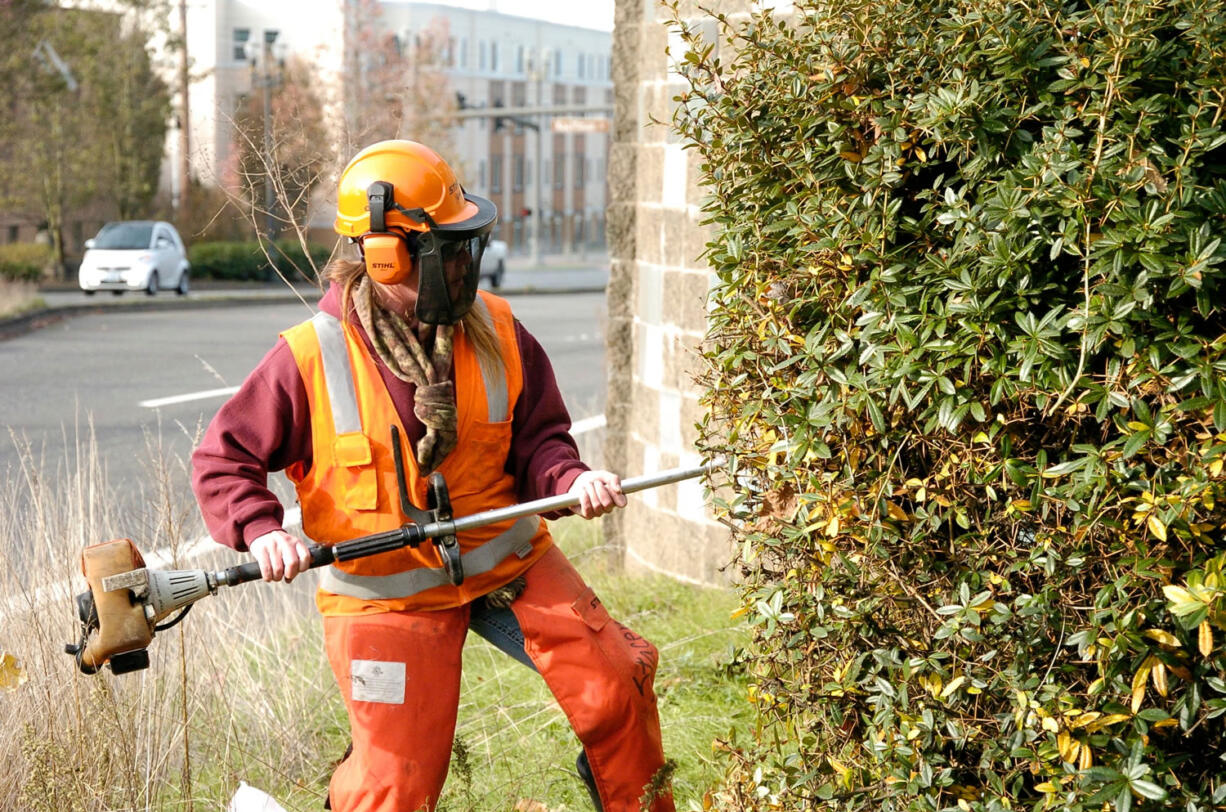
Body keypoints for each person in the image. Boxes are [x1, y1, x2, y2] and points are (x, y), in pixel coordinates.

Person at [190, 140, 674, 812]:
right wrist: (260, 529)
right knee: (395, 785)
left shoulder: (498, 329)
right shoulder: (309, 358)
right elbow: (224, 458)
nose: (462, 262)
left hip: (505, 561)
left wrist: (568, 478)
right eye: (447, 248)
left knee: (620, 679)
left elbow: (539, 438)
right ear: (386, 256)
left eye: (462, 244)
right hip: (389, 598)